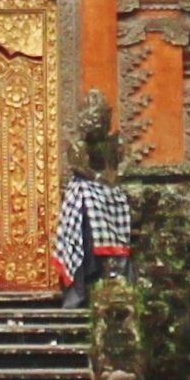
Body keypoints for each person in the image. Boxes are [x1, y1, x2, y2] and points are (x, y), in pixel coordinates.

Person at [53, 109, 132, 301]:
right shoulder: (78, 146)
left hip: (109, 188)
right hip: (89, 187)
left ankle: (112, 269)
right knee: (87, 208)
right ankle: (85, 281)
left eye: (98, 122)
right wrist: (98, 178)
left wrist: (114, 177)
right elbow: (82, 168)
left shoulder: (116, 143)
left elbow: (124, 163)